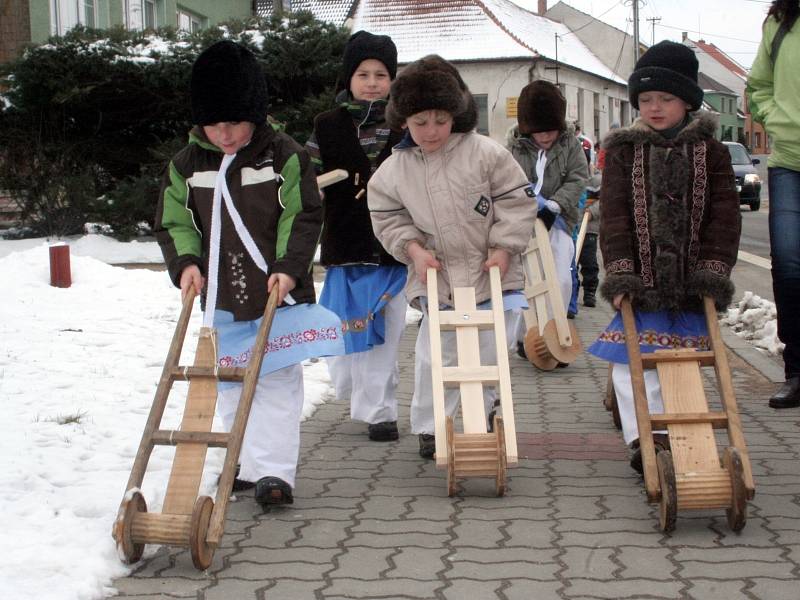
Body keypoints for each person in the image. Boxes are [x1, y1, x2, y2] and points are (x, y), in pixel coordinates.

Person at [154, 40, 343, 507]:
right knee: (231, 382)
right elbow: (175, 221)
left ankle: (274, 473)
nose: (226, 134)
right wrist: (186, 264)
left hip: (277, 291)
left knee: (276, 380)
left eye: (235, 122)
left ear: (254, 113)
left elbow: (301, 216)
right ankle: (243, 459)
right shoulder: (186, 165)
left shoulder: (283, 156)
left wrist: (289, 269)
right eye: (215, 124)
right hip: (221, 295)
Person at [368, 55, 537, 458]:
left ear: (455, 114)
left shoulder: (486, 153)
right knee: (434, 356)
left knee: (491, 349)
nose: (431, 131)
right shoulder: (395, 169)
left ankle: (491, 411)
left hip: (493, 270)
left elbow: (515, 200)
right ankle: (431, 427)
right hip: (438, 276)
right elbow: (387, 215)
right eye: (420, 122)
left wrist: (504, 247)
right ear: (403, 120)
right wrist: (412, 250)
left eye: (440, 121)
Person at [587, 40, 741, 473]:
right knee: (632, 363)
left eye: (666, 99)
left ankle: (686, 432)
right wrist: (621, 275)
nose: (654, 108)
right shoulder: (623, 150)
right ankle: (646, 441)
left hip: (692, 282)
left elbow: (725, 216)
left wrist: (713, 272)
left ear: (687, 101)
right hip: (643, 282)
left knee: (685, 364)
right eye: (646, 99)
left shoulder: (711, 152)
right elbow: (614, 216)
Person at [305, 31, 407, 441]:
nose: (371, 82)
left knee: (387, 331)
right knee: (347, 329)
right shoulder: (327, 126)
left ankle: (381, 412)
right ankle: (353, 392)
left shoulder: (405, 126)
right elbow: (308, 177)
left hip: (393, 249)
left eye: (381, 75)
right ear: (348, 78)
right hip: (346, 245)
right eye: (362, 73)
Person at [507, 80, 589, 356]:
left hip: (558, 220)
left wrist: (554, 206)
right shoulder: (515, 147)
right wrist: (530, 202)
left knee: (560, 280)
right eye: (539, 132)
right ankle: (525, 337)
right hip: (522, 221)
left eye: (550, 131)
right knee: (527, 282)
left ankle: (555, 334)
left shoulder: (570, 145)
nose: (545, 137)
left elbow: (578, 178)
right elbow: (507, 180)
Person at [747, 0, 800, 409]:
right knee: (787, 263)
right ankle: (796, 372)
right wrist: (775, 118)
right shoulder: (782, 21)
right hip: (789, 163)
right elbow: (757, 85)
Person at [577, 172, 601, 308]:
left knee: (589, 263)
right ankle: (571, 295)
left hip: (589, 229)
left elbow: (604, 201)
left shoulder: (597, 180)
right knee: (571, 264)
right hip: (572, 228)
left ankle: (590, 292)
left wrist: (591, 212)